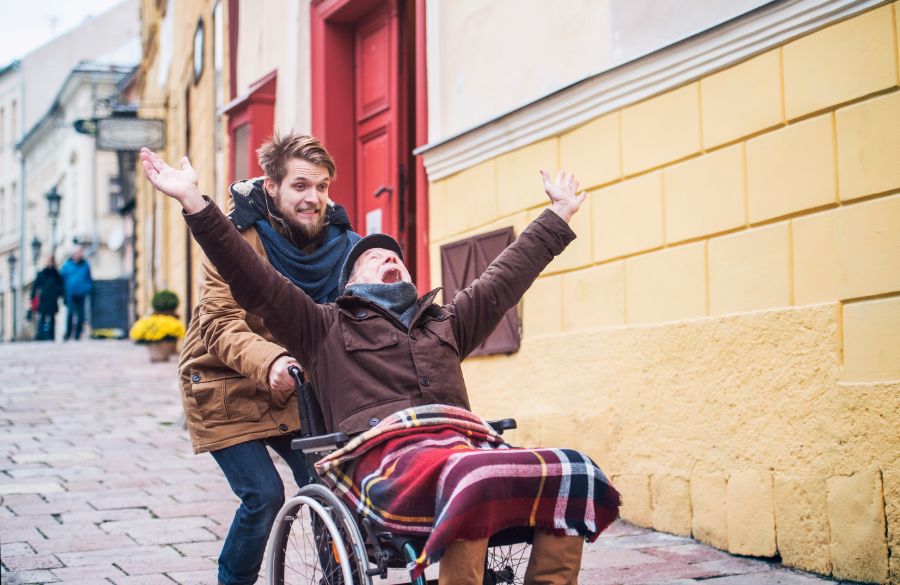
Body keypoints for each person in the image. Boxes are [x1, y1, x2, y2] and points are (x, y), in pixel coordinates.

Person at [142, 148, 620, 585]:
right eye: (373, 257)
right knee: (465, 478)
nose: (388, 257)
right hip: (386, 457)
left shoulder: (446, 323)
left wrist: (557, 215)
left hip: (461, 446)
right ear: (350, 283)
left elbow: (505, 277)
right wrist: (193, 202)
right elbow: (252, 280)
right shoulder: (324, 326)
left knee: (574, 469)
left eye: (395, 255)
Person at [165, 133, 361, 585]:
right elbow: (219, 325)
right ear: (271, 186)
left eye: (323, 186)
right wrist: (271, 360)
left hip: (295, 386)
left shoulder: (340, 245)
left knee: (328, 485)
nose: (314, 198)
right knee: (264, 496)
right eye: (301, 185)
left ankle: (341, 579)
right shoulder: (236, 239)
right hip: (224, 382)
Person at [60, 245, 93, 340]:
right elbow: (62, 279)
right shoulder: (67, 265)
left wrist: (87, 288)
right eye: (76, 252)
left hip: (81, 293)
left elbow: (89, 279)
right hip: (70, 294)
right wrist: (63, 293)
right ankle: (68, 334)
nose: (78, 254)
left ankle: (78, 335)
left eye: (79, 252)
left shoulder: (85, 265)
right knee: (70, 314)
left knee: (81, 315)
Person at [31, 256, 65, 341]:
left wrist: (59, 293)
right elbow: (36, 286)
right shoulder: (42, 273)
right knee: (42, 317)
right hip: (43, 298)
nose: (48, 262)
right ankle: (40, 335)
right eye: (46, 260)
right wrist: (32, 296)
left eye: (49, 260)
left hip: (52, 299)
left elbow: (61, 286)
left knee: (52, 317)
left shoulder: (56, 274)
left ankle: (51, 336)